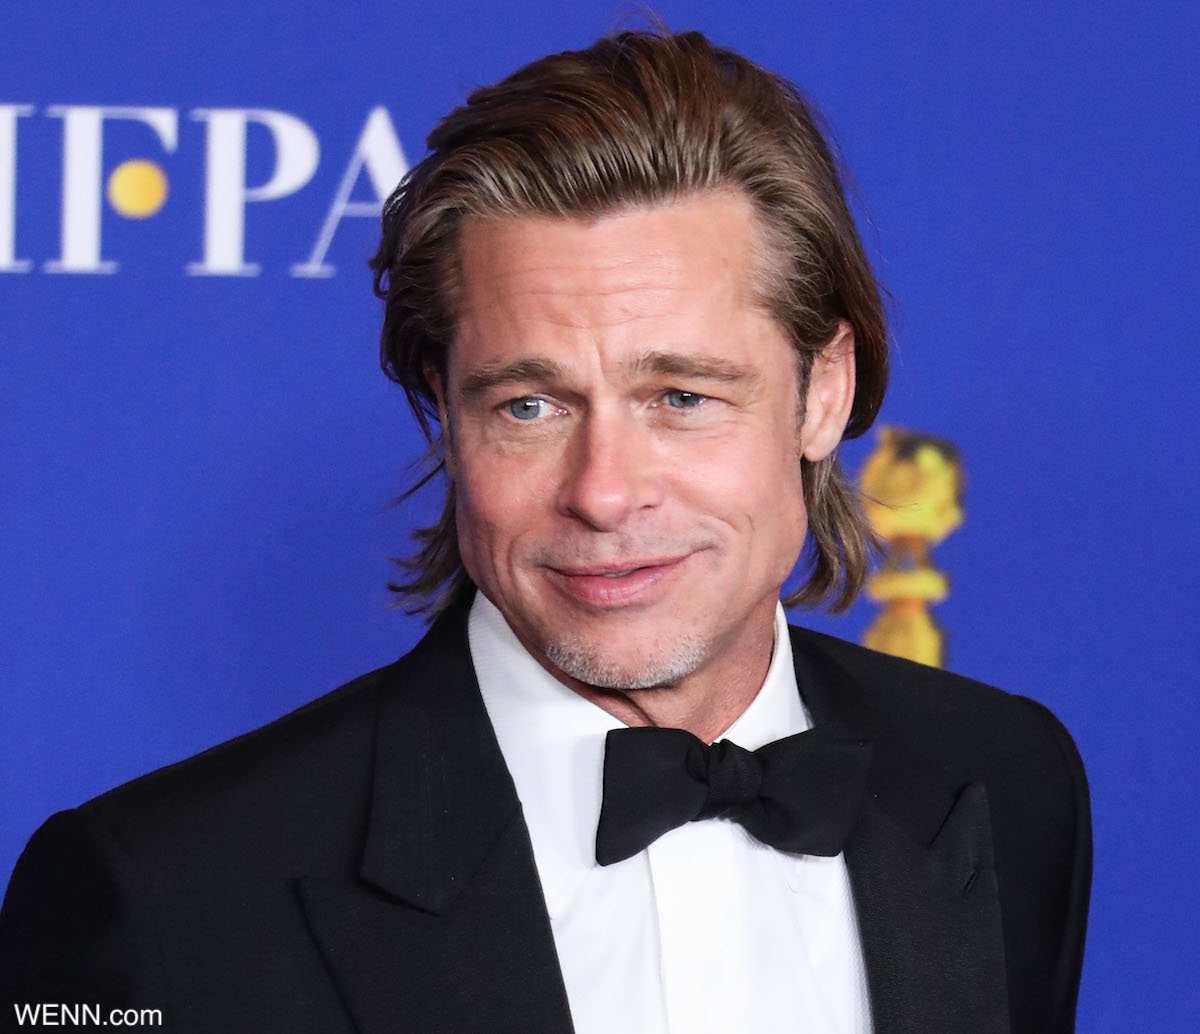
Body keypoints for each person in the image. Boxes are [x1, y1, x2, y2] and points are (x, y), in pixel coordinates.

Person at [0, 29, 1089, 1034]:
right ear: (445, 407)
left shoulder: (1004, 779)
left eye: (681, 396)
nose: (605, 493)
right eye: (531, 404)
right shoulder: (162, 894)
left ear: (823, 392)